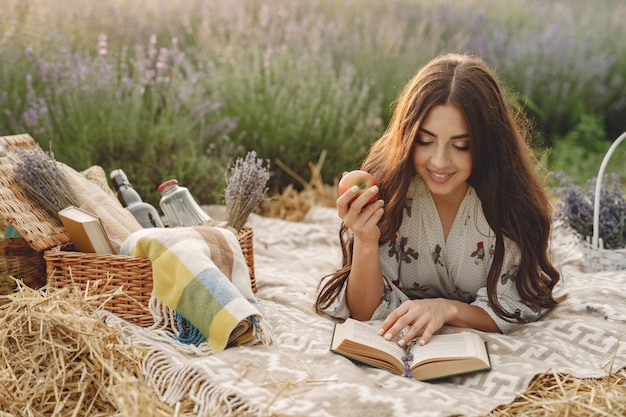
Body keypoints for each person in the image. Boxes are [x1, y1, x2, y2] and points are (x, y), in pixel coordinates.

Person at [315, 53, 562, 348]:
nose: (440, 161)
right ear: (407, 137)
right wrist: (365, 239)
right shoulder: (389, 192)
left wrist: (447, 309)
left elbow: (512, 308)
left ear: (488, 143)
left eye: (461, 145)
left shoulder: (509, 203)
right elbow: (366, 312)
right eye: (425, 141)